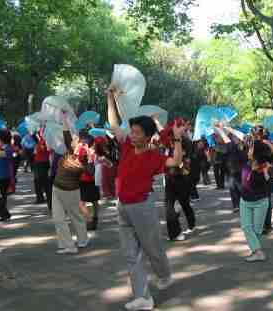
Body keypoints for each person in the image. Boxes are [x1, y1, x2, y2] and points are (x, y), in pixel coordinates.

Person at [107, 86, 184, 311]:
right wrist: (110, 98)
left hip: (143, 206)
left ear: (147, 136)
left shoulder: (153, 156)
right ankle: (143, 297)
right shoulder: (127, 146)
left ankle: (164, 274)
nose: (132, 135)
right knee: (130, 255)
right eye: (131, 131)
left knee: (152, 247)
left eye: (137, 132)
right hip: (122, 206)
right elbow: (113, 124)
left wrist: (177, 139)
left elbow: (176, 162)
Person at [52, 117, 89, 254]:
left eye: (76, 139)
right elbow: (66, 133)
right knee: (58, 218)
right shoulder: (69, 150)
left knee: (75, 216)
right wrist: (64, 118)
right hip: (56, 188)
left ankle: (81, 240)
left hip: (70, 191)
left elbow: (87, 169)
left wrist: (85, 154)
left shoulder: (82, 159)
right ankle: (69, 245)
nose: (73, 139)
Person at [240, 140, 273, 262]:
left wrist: (266, 174)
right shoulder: (246, 161)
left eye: (251, 148)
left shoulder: (265, 167)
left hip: (260, 202)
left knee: (256, 231)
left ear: (256, 153)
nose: (248, 149)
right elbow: (231, 140)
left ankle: (256, 250)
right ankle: (258, 252)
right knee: (246, 227)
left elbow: (271, 188)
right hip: (245, 202)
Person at [164, 136, 196, 241]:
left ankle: (191, 225)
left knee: (184, 205)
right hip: (170, 184)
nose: (172, 145)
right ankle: (174, 233)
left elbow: (186, 171)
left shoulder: (186, 157)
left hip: (182, 185)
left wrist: (180, 163)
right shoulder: (169, 153)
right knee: (170, 209)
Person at [33, 130, 51, 207]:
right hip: (39, 161)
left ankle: (49, 202)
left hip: (43, 162)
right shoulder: (40, 140)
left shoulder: (46, 140)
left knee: (44, 182)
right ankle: (40, 198)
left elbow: (45, 149)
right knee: (38, 181)